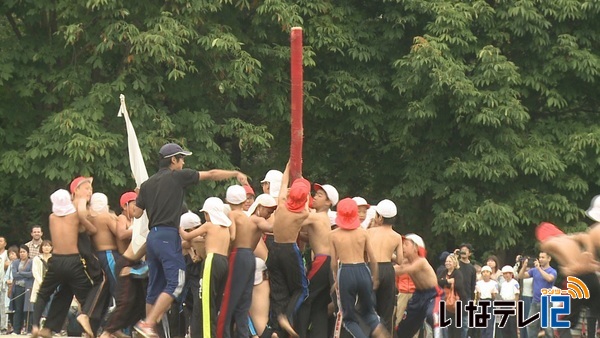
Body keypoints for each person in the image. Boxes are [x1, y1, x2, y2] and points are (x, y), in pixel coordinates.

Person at [131, 142, 247, 338]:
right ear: (173, 160)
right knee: (176, 282)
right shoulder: (177, 177)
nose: (184, 162)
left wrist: (139, 195)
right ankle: (148, 323)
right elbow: (210, 174)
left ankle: (149, 329)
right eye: (182, 158)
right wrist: (234, 173)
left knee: (154, 287)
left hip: (153, 237)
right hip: (168, 235)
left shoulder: (147, 184)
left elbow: (136, 213)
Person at [30, 189, 96, 338]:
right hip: (73, 260)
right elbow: (90, 229)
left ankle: (38, 327)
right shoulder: (75, 216)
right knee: (89, 295)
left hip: (56, 261)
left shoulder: (52, 217)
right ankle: (88, 322)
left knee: (46, 294)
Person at [218, 187, 274, 338]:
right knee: (244, 302)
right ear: (244, 201)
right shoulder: (249, 217)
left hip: (238, 254)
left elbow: (233, 235)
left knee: (229, 300)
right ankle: (242, 334)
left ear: (227, 201)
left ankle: (222, 335)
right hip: (250, 257)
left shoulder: (232, 214)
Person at [329, 198, 388, 338]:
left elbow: (333, 262)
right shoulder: (363, 233)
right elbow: (373, 259)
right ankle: (380, 330)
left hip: (346, 271)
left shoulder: (333, 235)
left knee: (348, 319)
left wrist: (336, 280)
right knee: (369, 312)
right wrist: (375, 278)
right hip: (363, 270)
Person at [265, 162, 310, 337]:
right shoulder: (302, 214)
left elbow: (284, 183)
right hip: (289, 251)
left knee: (279, 291)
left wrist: (289, 164)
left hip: (274, 248)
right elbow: (304, 204)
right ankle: (287, 317)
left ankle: (276, 329)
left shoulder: (281, 204)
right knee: (302, 289)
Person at [180, 196, 233, 338]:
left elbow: (187, 236)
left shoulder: (209, 225)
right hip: (224, 262)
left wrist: (178, 227)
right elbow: (233, 237)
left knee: (206, 302)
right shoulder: (227, 227)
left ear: (209, 213)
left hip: (212, 260)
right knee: (215, 302)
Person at [296, 182, 338, 338]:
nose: (315, 197)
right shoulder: (323, 218)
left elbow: (294, 220)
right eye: (315, 194)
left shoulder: (316, 216)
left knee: (304, 298)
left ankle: (298, 333)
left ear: (328, 202)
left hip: (321, 260)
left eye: (320, 195)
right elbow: (310, 236)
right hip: (328, 261)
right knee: (319, 306)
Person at [395, 234, 443, 338]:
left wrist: (384, 268)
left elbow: (403, 270)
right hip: (418, 295)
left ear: (416, 247)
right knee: (404, 327)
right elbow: (398, 264)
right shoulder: (407, 261)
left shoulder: (421, 262)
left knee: (433, 315)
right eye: (402, 244)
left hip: (433, 295)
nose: (402, 247)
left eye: (406, 244)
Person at [367, 199, 402, 334]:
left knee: (368, 308)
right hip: (388, 269)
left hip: (371, 268)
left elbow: (364, 253)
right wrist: (390, 254)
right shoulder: (397, 236)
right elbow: (399, 259)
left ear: (379, 217)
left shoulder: (370, 232)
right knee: (386, 311)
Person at [517, 250, 556, 338]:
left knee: (547, 327)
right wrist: (524, 266)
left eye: (543, 257)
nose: (540, 259)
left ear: (549, 259)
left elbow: (550, 279)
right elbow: (520, 276)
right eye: (540, 257)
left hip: (546, 302)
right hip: (535, 302)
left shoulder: (552, 271)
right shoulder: (534, 270)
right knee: (530, 325)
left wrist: (539, 269)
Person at [437, 253, 467, 338]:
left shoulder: (458, 273)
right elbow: (438, 282)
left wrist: (446, 282)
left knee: (456, 326)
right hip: (444, 302)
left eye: (450, 261)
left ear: (454, 263)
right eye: (446, 261)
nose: (447, 263)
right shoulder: (444, 272)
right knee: (446, 326)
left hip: (456, 302)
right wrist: (448, 282)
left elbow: (459, 285)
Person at [9, 245, 33, 335]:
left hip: (28, 288)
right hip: (18, 287)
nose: (22, 254)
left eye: (24, 252)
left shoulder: (31, 262)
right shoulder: (15, 262)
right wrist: (24, 274)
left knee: (28, 309)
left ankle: (29, 329)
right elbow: (14, 275)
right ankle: (16, 330)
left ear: (28, 253)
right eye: (21, 252)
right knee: (18, 309)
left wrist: (21, 273)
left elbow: (32, 274)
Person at [475, 266, 497, 338]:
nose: (485, 274)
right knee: (482, 323)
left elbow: (495, 296)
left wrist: (493, 294)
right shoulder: (478, 283)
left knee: (490, 324)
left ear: (490, 274)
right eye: (483, 272)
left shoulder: (494, 283)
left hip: (490, 302)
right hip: (481, 302)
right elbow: (477, 296)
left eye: (487, 272)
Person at [498, 266, 519, 338]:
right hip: (503, 305)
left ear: (511, 274)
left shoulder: (515, 283)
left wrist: (515, 306)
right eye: (505, 273)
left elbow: (517, 295)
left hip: (511, 305)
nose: (506, 275)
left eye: (508, 273)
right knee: (504, 327)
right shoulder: (503, 284)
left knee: (512, 327)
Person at [30, 240, 52, 306]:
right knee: (39, 305)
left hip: (52, 285)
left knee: (50, 305)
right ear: (41, 248)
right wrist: (41, 282)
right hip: (40, 285)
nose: (46, 248)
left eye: (48, 246)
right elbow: (35, 272)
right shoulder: (37, 258)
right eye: (45, 246)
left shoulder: (55, 258)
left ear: (51, 247)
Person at [0, 236, 9, 334]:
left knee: (4, 305)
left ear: (5, 244)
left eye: (0, 241)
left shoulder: (7, 254)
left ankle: (4, 326)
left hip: (4, 283)